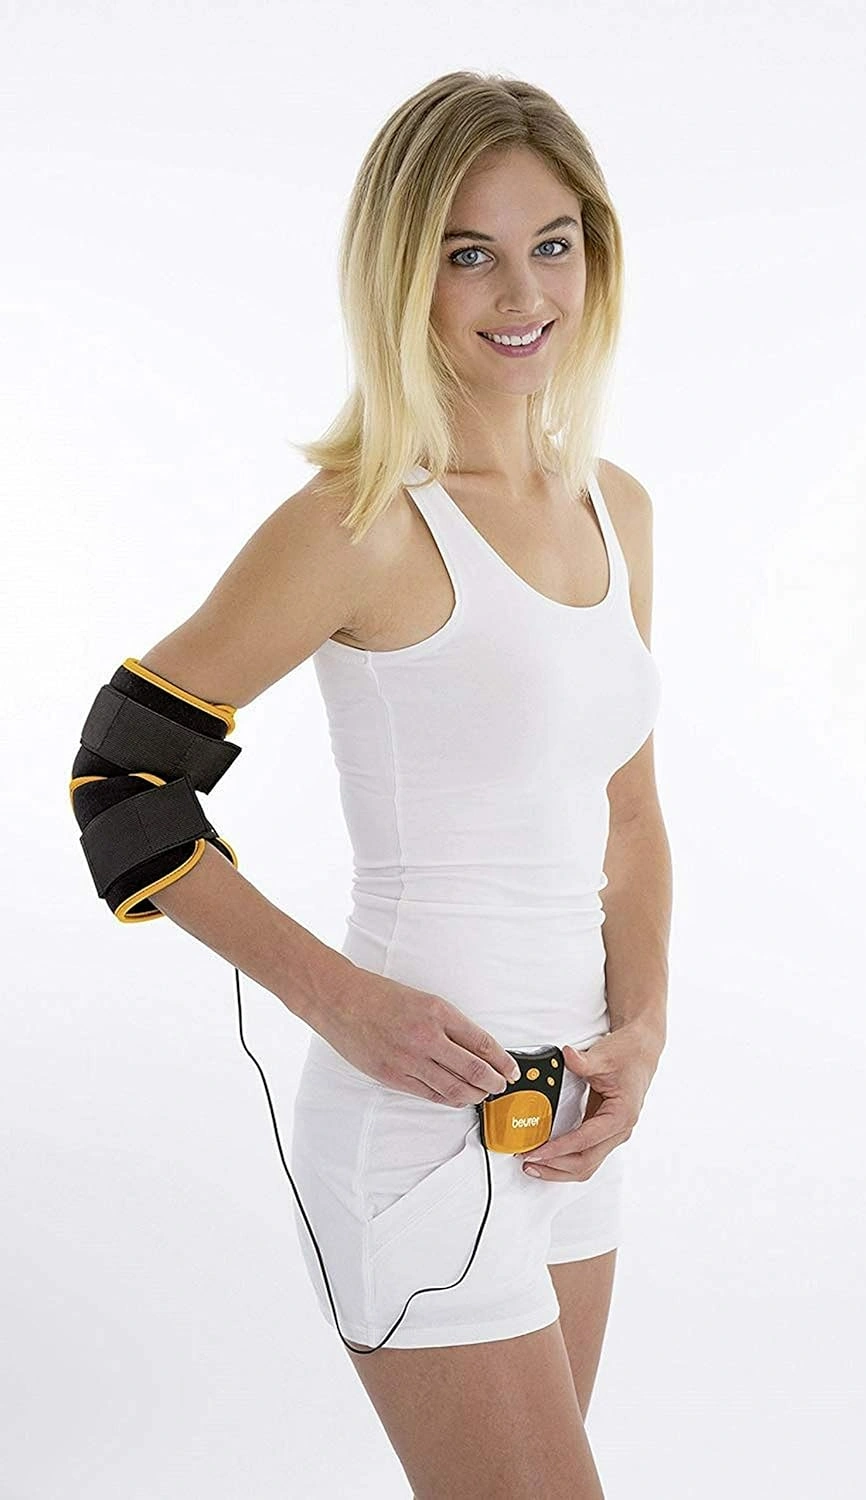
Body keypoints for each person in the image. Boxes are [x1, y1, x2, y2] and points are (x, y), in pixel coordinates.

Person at [138, 71, 671, 1500]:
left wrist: (643, 1029)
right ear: (400, 270)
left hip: (572, 1125)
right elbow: (124, 782)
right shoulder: (359, 524)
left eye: (553, 243)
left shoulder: (615, 507)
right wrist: (340, 1001)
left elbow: (629, 817)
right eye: (468, 252)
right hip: (415, 1133)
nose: (523, 292)